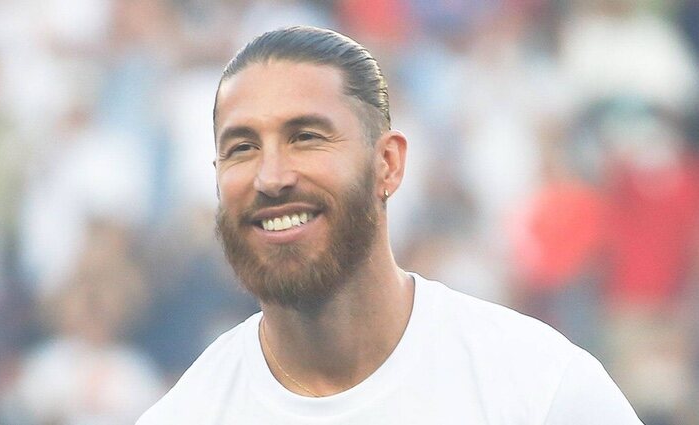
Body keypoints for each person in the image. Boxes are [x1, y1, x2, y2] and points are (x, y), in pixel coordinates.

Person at [137, 26, 643, 424]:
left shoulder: (540, 389)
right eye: (242, 148)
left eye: (306, 137)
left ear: (388, 164)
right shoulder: (185, 414)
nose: (271, 177)